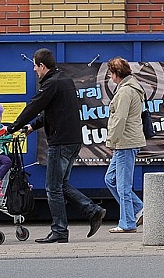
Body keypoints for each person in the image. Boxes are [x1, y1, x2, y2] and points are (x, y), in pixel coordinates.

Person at [6, 48, 106, 243]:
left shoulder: (51, 84)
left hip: (60, 142)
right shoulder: (65, 80)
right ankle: (92, 210)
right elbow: (55, 111)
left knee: (52, 188)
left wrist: (12, 128)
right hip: (73, 140)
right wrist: (33, 127)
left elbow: (34, 107)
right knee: (61, 185)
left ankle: (60, 230)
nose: (34, 69)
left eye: (35, 66)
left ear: (42, 66)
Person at [104, 57, 146, 233]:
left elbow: (120, 118)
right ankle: (140, 209)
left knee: (122, 185)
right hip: (127, 141)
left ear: (116, 74)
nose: (109, 77)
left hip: (125, 142)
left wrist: (111, 140)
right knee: (110, 179)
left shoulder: (125, 92)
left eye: (110, 74)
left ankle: (127, 223)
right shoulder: (130, 88)